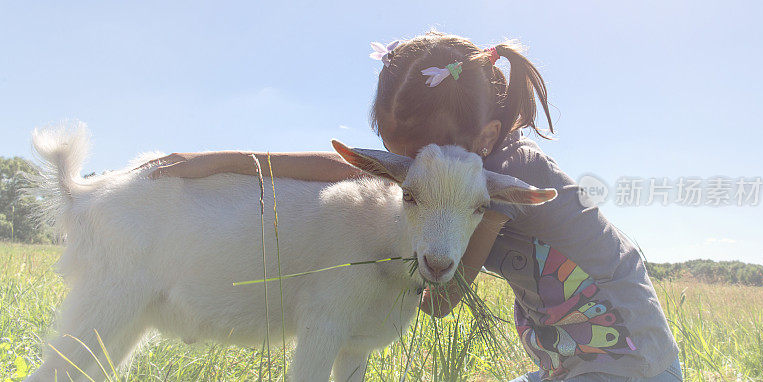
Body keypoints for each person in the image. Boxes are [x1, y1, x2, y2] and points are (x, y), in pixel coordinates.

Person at [144, 30, 682, 381]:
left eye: (418, 160)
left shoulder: (508, 176)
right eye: (401, 164)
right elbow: (349, 167)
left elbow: (446, 296)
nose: (403, 175)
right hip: (567, 360)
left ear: (486, 135)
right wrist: (218, 161)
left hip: (628, 355)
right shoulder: (463, 162)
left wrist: (401, 279)